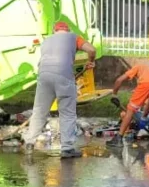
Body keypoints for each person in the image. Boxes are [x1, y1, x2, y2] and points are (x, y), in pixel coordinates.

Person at [23, 20, 96, 159]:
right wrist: (91, 60)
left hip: (43, 76)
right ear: (67, 30)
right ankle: (67, 148)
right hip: (63, 77)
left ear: (54, 31)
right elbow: (91, 50)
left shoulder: (46, 41)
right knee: (67, 113)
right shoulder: (73, 37)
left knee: (39, 111)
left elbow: (48, 65)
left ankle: (29, 142)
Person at [107, 60, 149, 147]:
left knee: (131, 109)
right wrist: (144, 118)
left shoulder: (138, 66)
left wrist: (114, 94)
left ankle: (118, 138)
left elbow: (119, 80)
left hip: (146, 82)